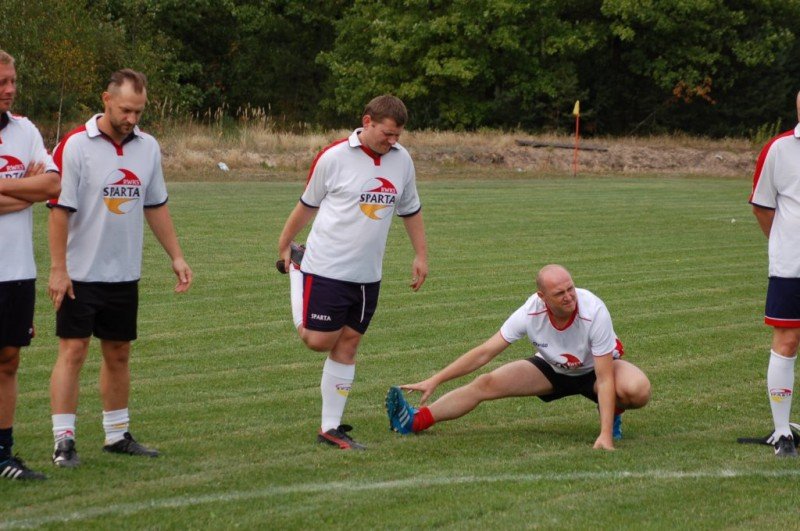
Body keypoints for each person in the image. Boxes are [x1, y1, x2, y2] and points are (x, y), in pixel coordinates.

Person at [47, 69, 193, 468]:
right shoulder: (75, 145)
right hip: (79, 274)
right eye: (126, 110)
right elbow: (58, 211)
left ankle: (116, 435)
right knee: (73, 352)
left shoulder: (148, 147)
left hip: (124, 273)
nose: (132, 118)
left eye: (139, 111)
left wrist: (176, 255)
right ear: (106, 99)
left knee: (119, 353)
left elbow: (155, 204)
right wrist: (58, 269)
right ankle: (63, 441)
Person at [277, 95, 428, 450]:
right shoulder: (334, 157)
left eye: (398, 135)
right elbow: (307, 205)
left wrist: (421, 254)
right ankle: (298, 268)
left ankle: (330, 427)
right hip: (326, 267)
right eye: (387, 133)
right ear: (367, 121)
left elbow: (410, 209)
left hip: (368, 275)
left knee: (348, 343)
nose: (393, 141)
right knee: (318, 341)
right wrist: (284, 245)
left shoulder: (402, 160)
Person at [385, 264, 651, 450]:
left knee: (637, 390)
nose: (569, 297)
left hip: (595, 370)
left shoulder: (594, 310)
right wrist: (436, 379)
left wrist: (605, 436)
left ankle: (612, 417)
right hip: (552, 367)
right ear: (542, 297)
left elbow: (604, 379)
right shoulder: (529, 312)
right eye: (559, 293)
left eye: (570, 288)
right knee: (485, 383)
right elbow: (484, 352)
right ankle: (415, 420)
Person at [0, 49, 61, 480]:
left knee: (8, 360)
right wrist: (24, 189)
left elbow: (52, 184)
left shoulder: (25, 130)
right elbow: (35, 190)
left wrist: (22, 189)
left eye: (12, 81)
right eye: (1, 83)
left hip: (17, 270)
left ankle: (2, 456)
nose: (10, 89)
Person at [749, 90, 800, 458]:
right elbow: (763, 206)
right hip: (791, 267)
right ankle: (783, 432)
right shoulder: (778, 149)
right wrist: (784, 243)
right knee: (787, 341)